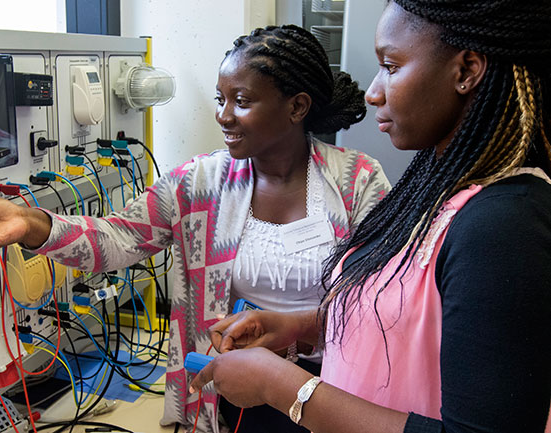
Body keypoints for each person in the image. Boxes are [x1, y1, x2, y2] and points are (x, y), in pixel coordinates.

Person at [0, 25, 390, 433]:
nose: (224, 116)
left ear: (297, 106)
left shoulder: (358, 182)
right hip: (231, 390)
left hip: (335, 389)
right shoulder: (198, 183)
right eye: (221, 99)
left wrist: (295, 327)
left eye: (243, 101)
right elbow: (115, 238)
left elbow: (382, 307)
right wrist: (31, 223)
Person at [189, 1, 551, 433]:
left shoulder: (505, 226)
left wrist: (281, 385)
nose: (373, 91)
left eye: (391, 66)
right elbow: (408, 318)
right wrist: (301, 326)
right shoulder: (439, 186)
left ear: (466, 70)